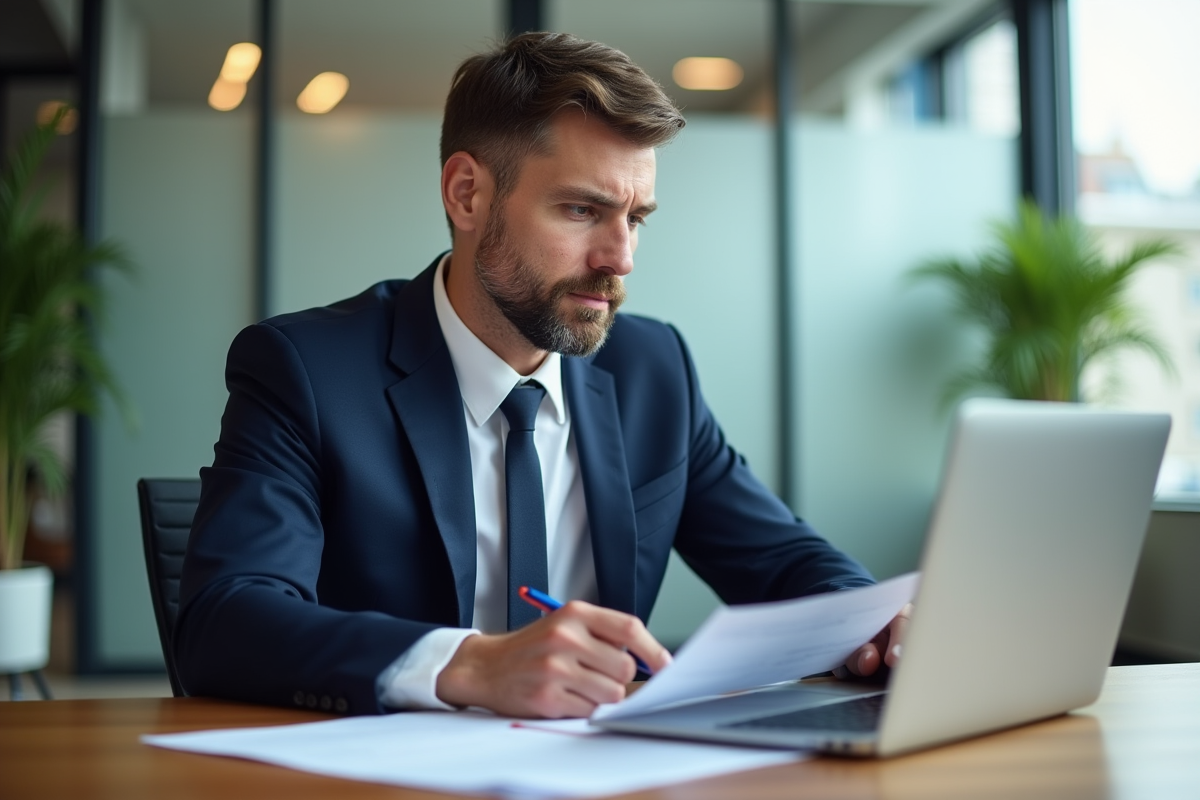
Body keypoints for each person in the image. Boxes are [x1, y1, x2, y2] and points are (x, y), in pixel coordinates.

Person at [176, 32, 905, 719]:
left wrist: (876, 622)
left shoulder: (656, 371)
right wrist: (470, 665)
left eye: (636, 218)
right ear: (467, 195)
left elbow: (783, 560)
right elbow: (225, 619)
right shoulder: (307, 370)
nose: (620, 258)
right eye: (582, 210)